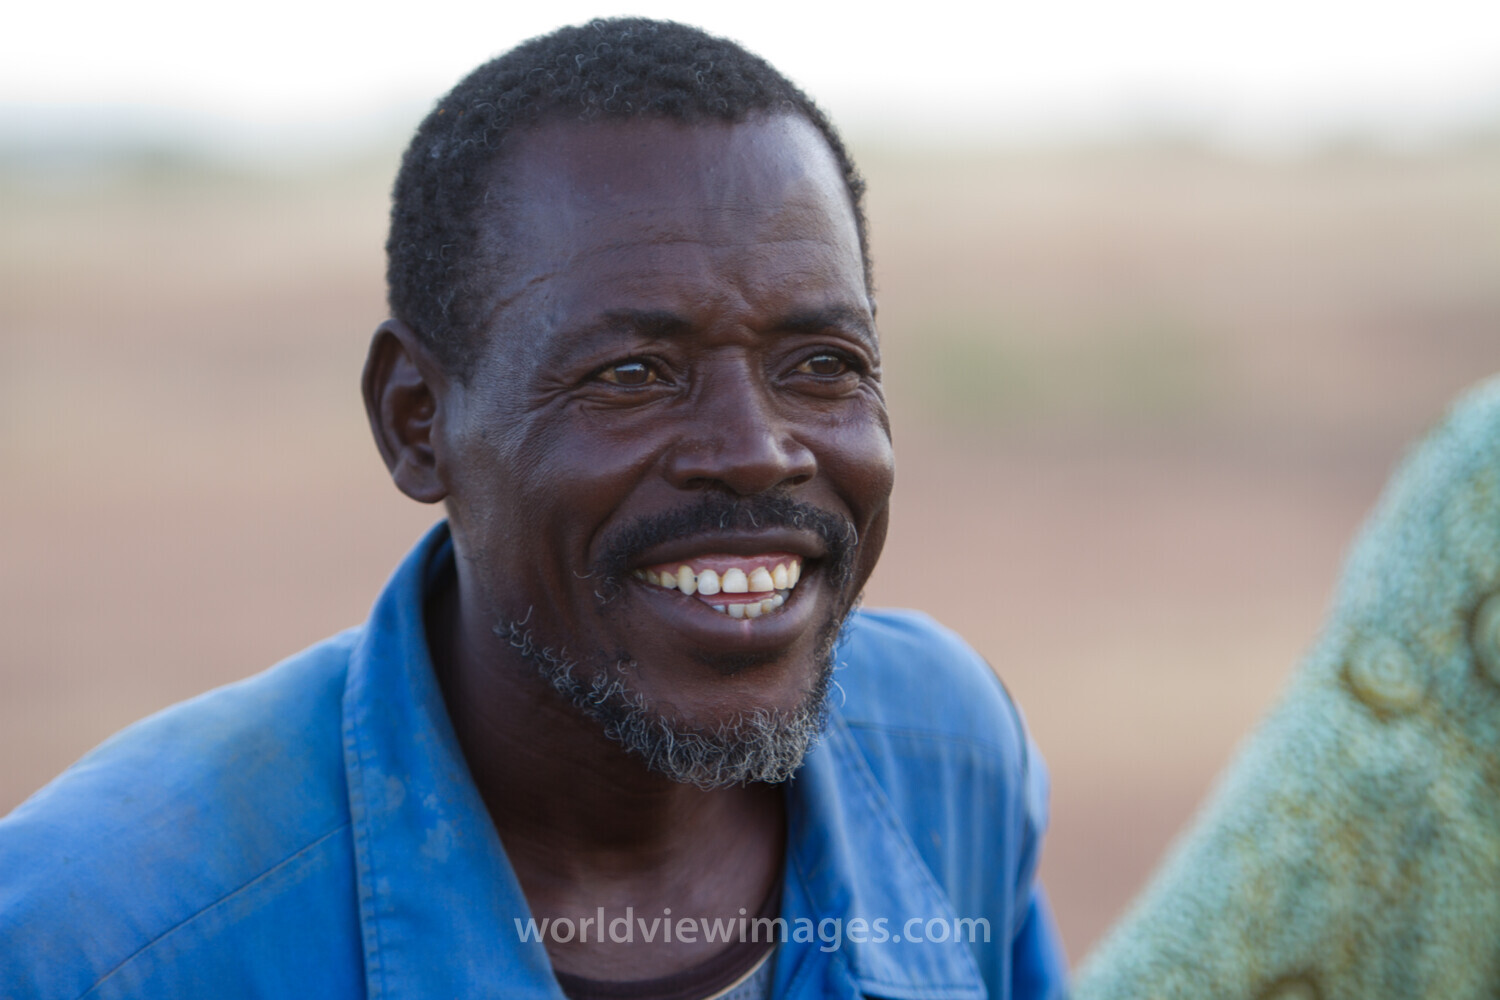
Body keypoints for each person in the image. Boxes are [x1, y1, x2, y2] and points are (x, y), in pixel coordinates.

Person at [0, 18, 1066, 999]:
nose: (756, 453)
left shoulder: (945, 757)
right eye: (634, 373)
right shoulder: (98, 938)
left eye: (825, 364)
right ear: (418, 423)